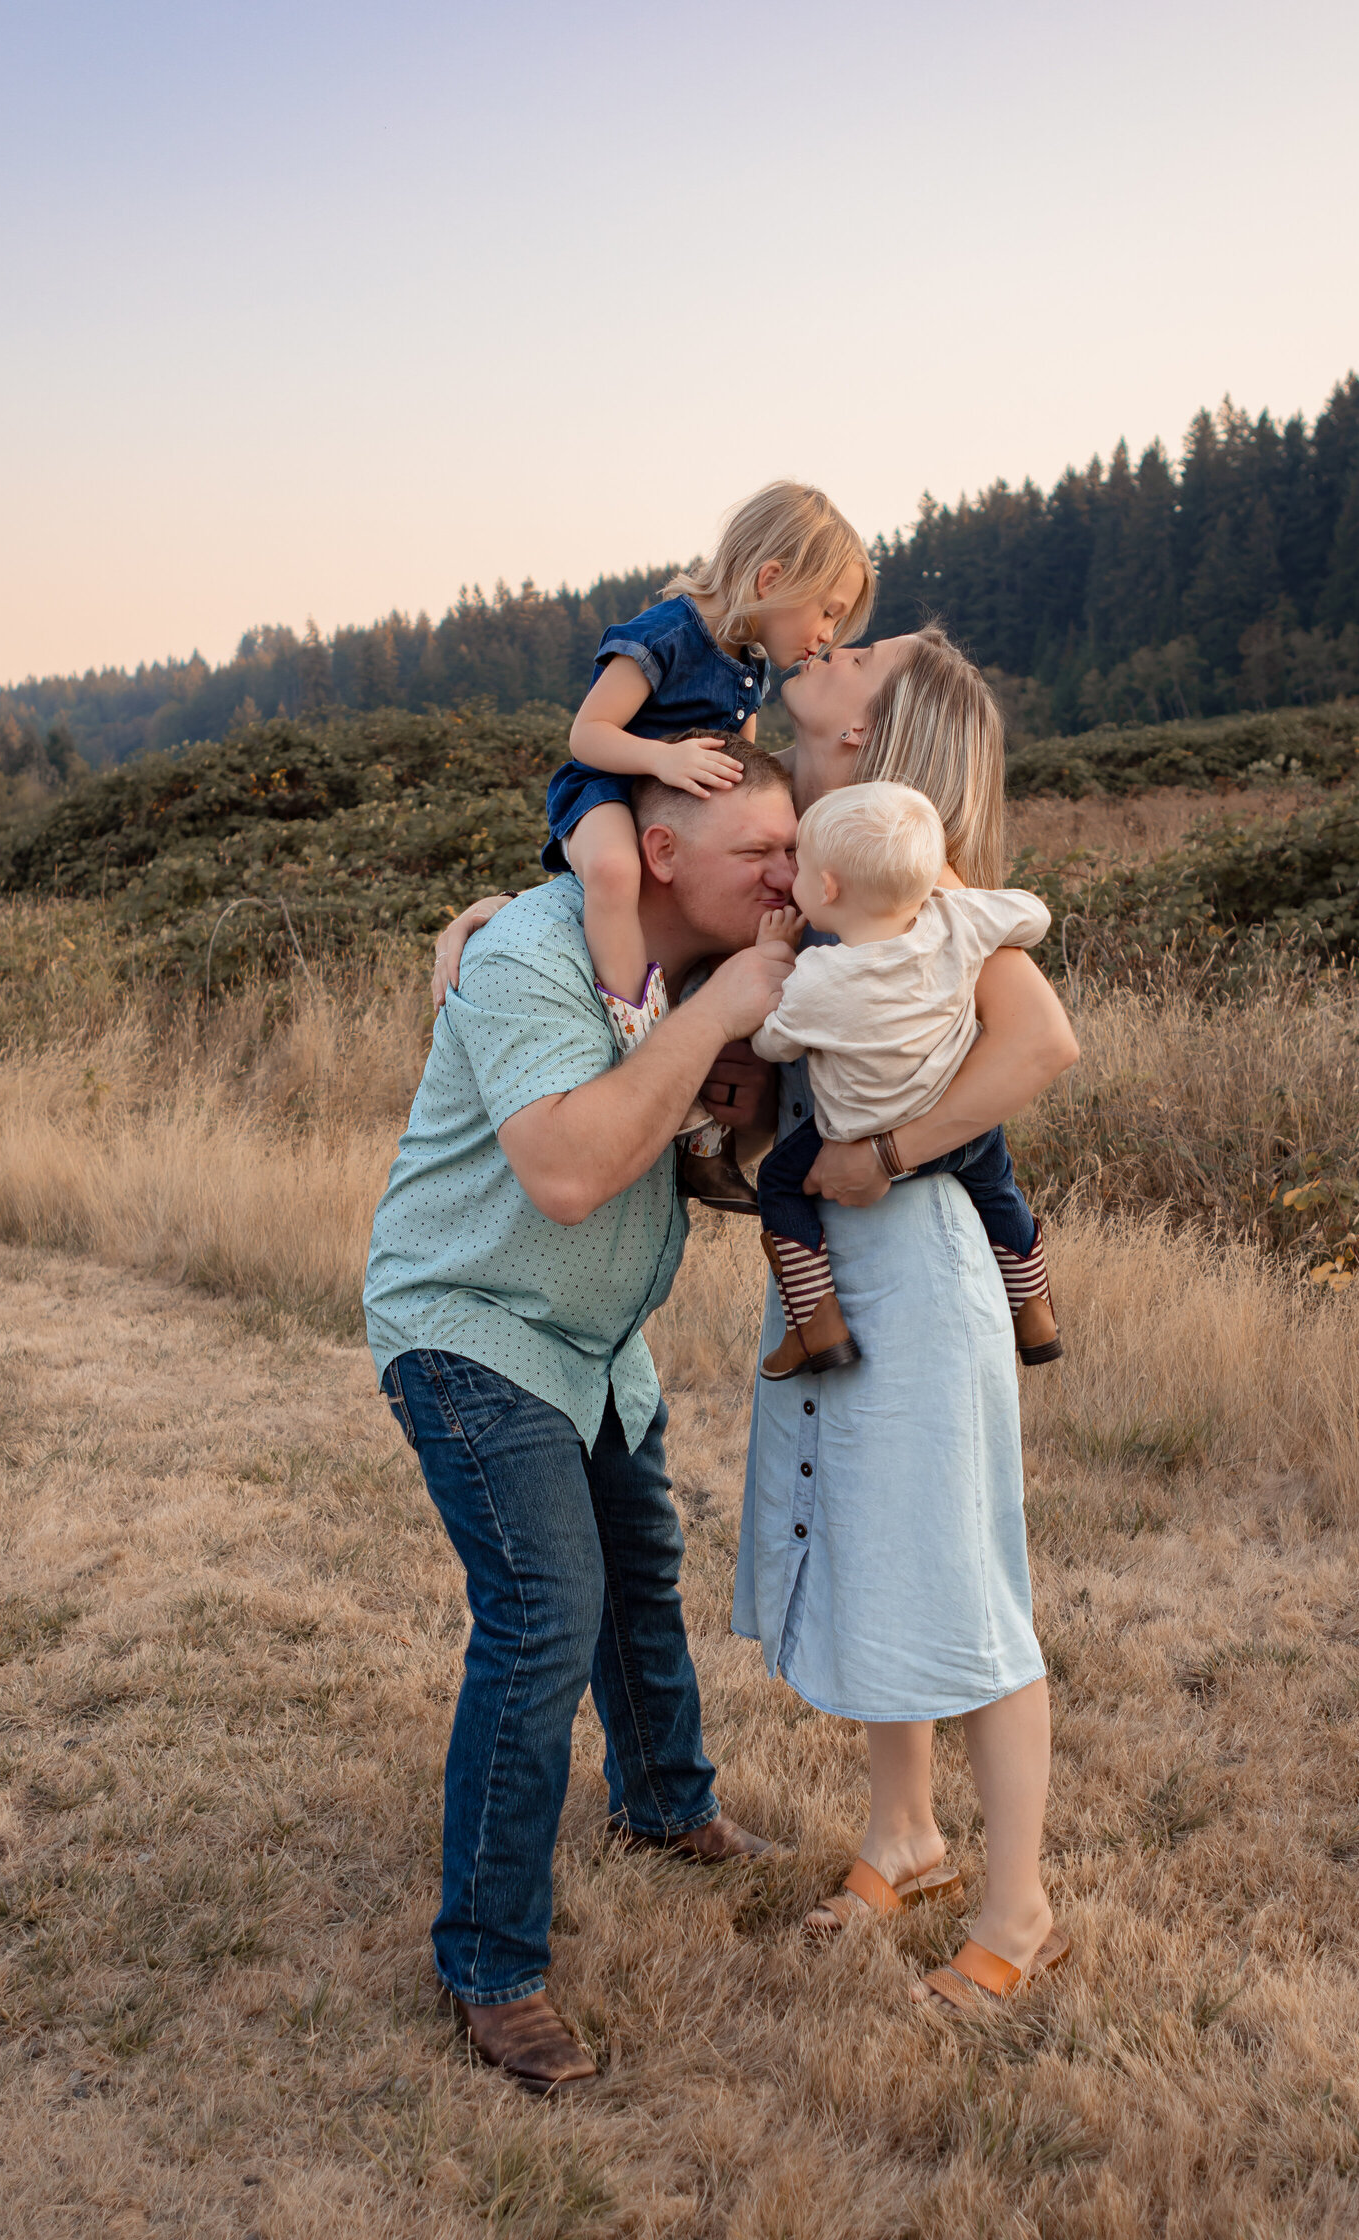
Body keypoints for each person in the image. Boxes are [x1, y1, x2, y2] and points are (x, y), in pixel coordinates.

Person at [364, 746, 797, 2093]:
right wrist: (718, 1008)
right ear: (660, 856)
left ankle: (666, 1807)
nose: (792, 877)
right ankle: (491, 1965)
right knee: (547, 1607)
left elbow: (714, 1171)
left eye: (797, 850)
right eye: (763, 854)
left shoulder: (694, 966)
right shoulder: (532, 956)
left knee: (640, 1575)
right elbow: (562, 1172)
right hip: (471, 1318)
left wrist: (741, 1079)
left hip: (596, 1345)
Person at [733, 622, 1078, 2013]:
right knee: (874, 1544)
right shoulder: (828, 882)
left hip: (918, 1260)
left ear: (873, 742)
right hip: (846, 1264)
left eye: (858, 660)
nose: (837, 650)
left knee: (963, 1574)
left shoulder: (932, 904)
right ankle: (907, 1836)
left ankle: (1021, 1907)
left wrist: (888, 1153)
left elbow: (1042, 1045)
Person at [545, 480, 873, 1213]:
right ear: (772, 577)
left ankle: (703, 1136)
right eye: (826, 610)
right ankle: (637, 1035)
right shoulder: (665, 634)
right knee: (610, 870)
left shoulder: (749, 668)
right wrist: (663, 761)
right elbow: (586, 735)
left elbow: (745, 770)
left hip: (678, 810)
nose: (829, 633)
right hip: (609, 788)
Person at [748, 780, 1053, 1379]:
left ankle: (817, 1323)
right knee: (1000, 1191)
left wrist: (772, 958)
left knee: (778, 1183)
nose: (791, 876)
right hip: (954, 1133)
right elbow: (1034, 917)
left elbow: (770, 1043)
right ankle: (1033, 1309)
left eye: (799, 865)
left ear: (826, 889)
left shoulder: (819, 978)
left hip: (858, 1137)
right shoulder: (957, 918)